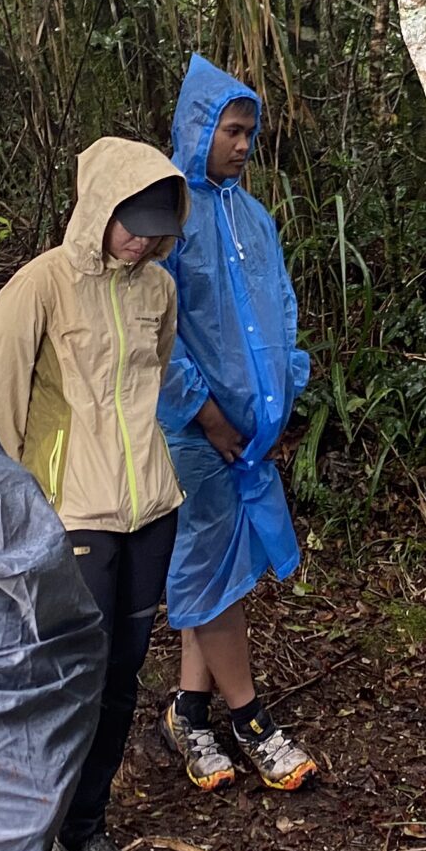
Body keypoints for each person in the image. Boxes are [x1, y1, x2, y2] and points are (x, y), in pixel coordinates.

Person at [0, 138, 188, 851]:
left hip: (151, 511)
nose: (141, 242)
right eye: (132, 226)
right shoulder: (39, 286)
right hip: (68, 516)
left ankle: (84, 828)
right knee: (60, 685)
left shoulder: (157, 290)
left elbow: (153, 379)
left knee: (122, 680)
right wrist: (9, 513)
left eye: (156, 231)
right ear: (101, 211)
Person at [155, 59, 320, 793]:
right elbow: (160, 335)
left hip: (247, 433)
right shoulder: (170, 215)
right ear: (199, 128)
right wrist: (210, 415)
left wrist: (278, 401)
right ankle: (252, 719)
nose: (244, 144)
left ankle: (190, 711)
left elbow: (276, 314)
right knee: (211, 573)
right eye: (231, 130)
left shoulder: (250, 216)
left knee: (224, 570)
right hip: (192, 432)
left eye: (251, 132)